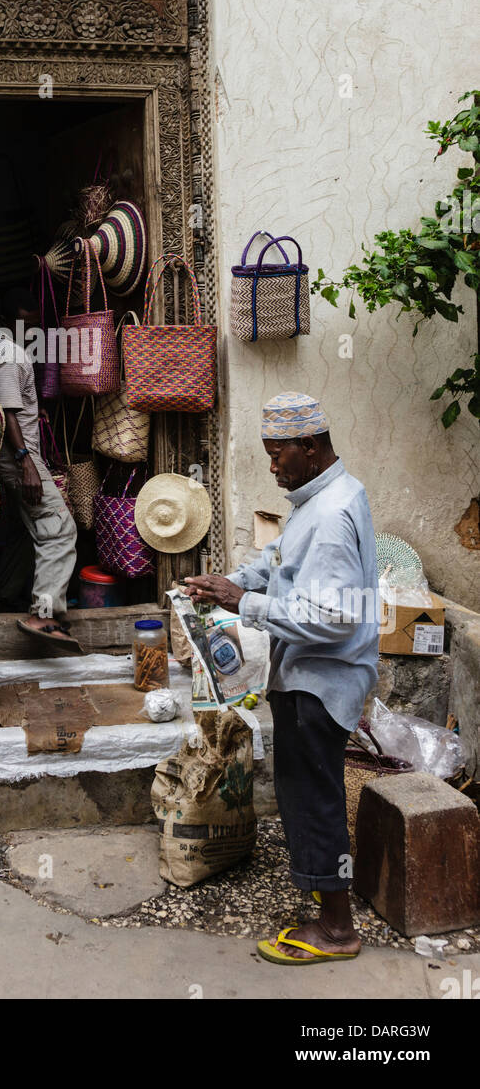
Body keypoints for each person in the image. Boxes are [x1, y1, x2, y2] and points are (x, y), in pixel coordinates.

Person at [182, 391, 378, 965]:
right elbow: (284, 566)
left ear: (310, 448)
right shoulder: (325, 497)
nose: (271, 467)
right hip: (309, 675)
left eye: (277, 455)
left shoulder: (334, 513)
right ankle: (327, 910)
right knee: (302, 793)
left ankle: (338, 932)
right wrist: (231, 580)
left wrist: (243, 602)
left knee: (314, 799)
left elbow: (334, 617)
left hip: (324, 681)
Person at [0, 288, 79, 651]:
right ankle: (43, 614)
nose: (39, 319)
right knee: (59, 529)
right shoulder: (10, 354)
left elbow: (14, 405)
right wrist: (26, 460)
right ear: (15, 315)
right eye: (31, 310)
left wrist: (33, 409)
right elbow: (7, 410)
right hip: (19, 460)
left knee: (30, 534)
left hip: (15, 457)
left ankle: (6, 598)